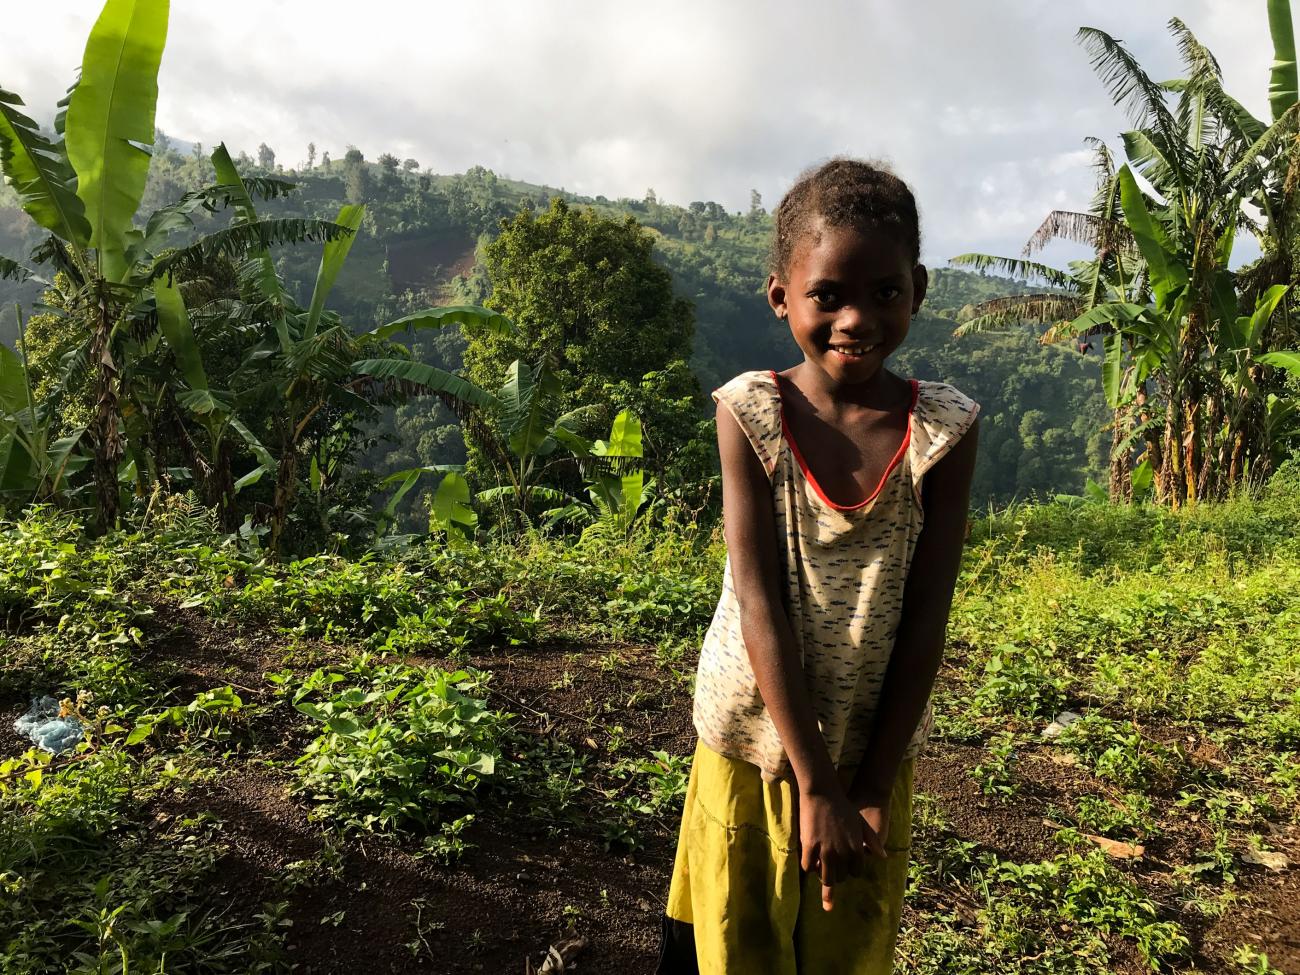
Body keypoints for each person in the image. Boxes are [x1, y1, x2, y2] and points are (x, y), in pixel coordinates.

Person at [655, 157, 980, 975]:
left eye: (884, 292)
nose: (854, 319)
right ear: (781, 296)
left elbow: (926, 614)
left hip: (872, 748)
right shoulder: (750, 414)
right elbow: (757, 601)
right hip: (752, 742)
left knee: (846, 945)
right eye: (826, 295)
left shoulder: (943, 430)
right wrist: (814, 783)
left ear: (919, 288)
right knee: (738, 940)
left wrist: (864, 783)